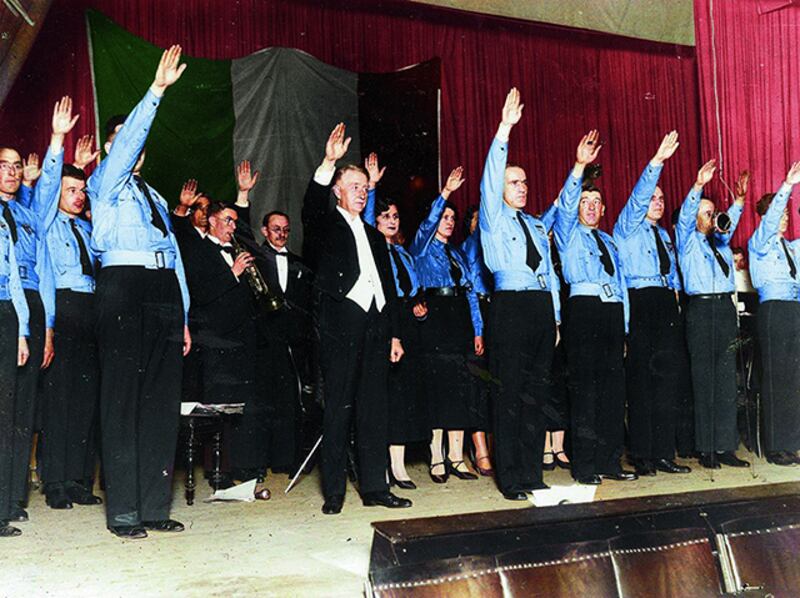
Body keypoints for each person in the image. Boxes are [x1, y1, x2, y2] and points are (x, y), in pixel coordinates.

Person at [87, 46, 191, 538]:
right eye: (125, 142)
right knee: (123, 397)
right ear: (113, 147)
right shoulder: (104, 182)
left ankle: (152, 506)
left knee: (161, 401)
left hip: (162, 289)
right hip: (124, 286)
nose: (134, 150)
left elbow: (175, 256)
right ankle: (124, 511)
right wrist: (156, 91)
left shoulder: (156, 197)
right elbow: (129, 142)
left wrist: (183, 314)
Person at [478, 88, 581, 498]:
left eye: (524, 182)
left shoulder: (536, 225)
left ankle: (531, 472)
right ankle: (509, 477)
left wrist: (554, 318)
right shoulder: (493, 218)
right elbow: (490, 177)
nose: (522, 187)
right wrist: (505, 129)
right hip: (510, 307)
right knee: (509, 394)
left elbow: (551, 272)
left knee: (536, 394)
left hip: (539, 309)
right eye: (514, 182)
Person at [302, 123, 409, 515]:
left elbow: (388, 288)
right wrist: (329, 161)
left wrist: (394, 335)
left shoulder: (376, 236)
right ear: (338, 190)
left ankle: (376, 488)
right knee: (338, 410)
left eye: (365, 188)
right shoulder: (325, 225)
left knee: (374, 410)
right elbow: (311, 207)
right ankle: (334, 493)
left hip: (377, 326)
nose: (362, 193)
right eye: (354, 186)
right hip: (341, 327)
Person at [20, 98, 103, 509]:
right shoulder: (46, 220)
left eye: (81, 190)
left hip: (91, 312)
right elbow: (49, 184)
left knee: (87, 400)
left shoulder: (87, 229)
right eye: (71, 190)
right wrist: (58, 140)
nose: (78, 196)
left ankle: (78, 481)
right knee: (58, 400)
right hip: (62, 312)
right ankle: (54, 483)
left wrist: (87, 171)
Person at [554, 129, 639, 486]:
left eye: (596, 202)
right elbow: (565, 204)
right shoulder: (568, 234)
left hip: (611, 314)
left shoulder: (610, 241)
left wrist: (625, 327)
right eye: (584, 201)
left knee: (612, 391)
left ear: (603, 210)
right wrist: (579, 166)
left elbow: (621, 285)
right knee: (585, 391)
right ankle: (585, 465)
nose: (590, 206)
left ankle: (609, 461)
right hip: (584, 311)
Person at [612, 131, 691, 477]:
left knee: (666, 381)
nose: (657, 202)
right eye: (652, 198)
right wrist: (657, 162)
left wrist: (674, 294)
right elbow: (639, 197)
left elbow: (671, 272)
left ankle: (663, 453)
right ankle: (642, 454)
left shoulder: (663, 235)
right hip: (640, 302)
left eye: (661, 198)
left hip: (664, 304)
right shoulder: (627, 227)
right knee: (643, 382)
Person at [234, 160, 313, 476]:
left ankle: (284, 459)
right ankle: (258, 462)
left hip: (291, 344)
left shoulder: (299, 264)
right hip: (263, 342)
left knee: (288, 402)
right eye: (275, 229)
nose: (281, 234)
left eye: (285, 230)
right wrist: (243, 195)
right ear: (265, 231)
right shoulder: (257, 255)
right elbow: (240, 232)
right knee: (261, 403)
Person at [410, 166, 484, 486]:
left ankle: (456, 456)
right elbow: (426, 226)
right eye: (444, 217)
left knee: (461, 389)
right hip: (436, 320)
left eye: (453, 218)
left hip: (459, 320)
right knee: (438, 390)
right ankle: (436, 456)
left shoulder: (458, 253)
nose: (449, 222)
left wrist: (478, 330)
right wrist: (446, 193)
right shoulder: (422, 247)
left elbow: (471, 293)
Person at [676, 159, 749, 469]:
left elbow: (729, 221)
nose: (712, 217)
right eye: (706, 213)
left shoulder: (720, 243)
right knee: (704, 380)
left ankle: (725, 446)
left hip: (724, 309)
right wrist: (698, 185)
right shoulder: (687, 241)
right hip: (701, 310)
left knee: (726, 380)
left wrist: (739, 201)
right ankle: (706, 448)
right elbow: (685, 217)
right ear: (694, 218)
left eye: (713, 212)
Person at [363, 153, 428, 489]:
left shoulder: (403, 253)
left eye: (395, 216)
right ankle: (382, 467)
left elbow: (413, 289)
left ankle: (399, 466)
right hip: (383, 320)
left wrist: (419, 306)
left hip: (408, 324)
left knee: (403, 397)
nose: (391, 220)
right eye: (384, 215)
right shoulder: (373, 249)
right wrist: (372, 186)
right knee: (384, 397)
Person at [0, 139, 55, 525]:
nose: (12, 172)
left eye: (17, 165)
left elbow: (32, 274)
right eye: (4, 165)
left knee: (20, 409)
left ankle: (11, 497)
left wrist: (36, 326)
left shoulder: (25, 215)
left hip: (20, 310)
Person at [748, 162, 800, 466]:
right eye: (778, 214)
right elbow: (769, 224)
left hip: (793, 310)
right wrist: (787, 185)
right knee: (776, 378)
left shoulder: (792, 248)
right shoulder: (759, 243)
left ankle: (791, 443)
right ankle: (776, 446)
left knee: (793, 378)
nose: (784, 218)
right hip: (774, 311)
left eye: (786, 214)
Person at [0, 193, 30, 537]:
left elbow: (14, 279)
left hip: (6, 313)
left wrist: (21, 331)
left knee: (4, 417)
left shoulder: (4, 223)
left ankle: (3, 508)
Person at [461, 205, 494, 476]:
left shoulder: (494, 245)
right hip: (477, 313)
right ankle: (480, 449)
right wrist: (477, 328)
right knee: (478, 385)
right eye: (476, 220)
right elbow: (471, 291)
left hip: (497, 309)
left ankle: (495, 447)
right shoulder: (467, 248)